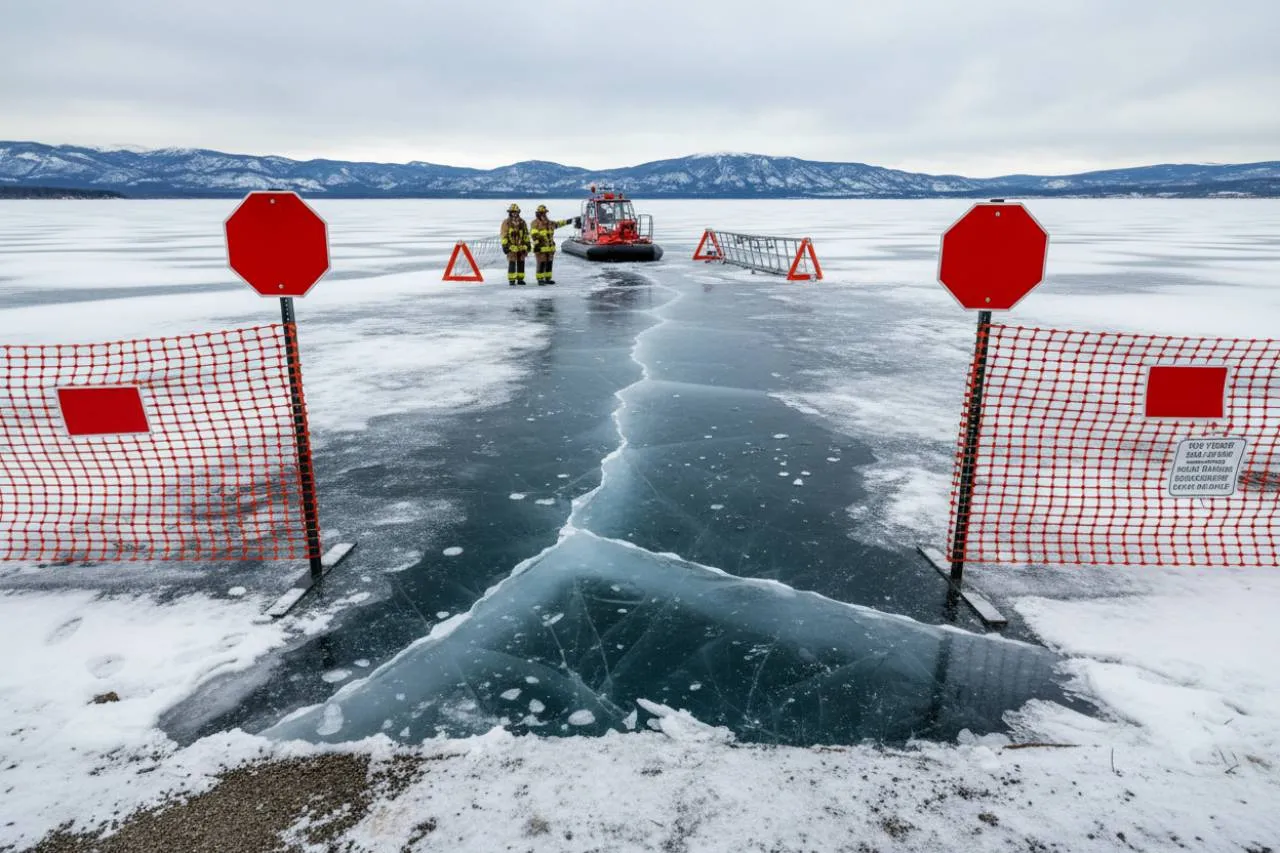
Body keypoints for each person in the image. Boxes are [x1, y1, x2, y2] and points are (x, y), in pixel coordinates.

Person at [529, 204, 576, 285]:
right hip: (541, 247)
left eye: (544, 213)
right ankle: (540, 279)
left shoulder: (549, 223)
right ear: (538, 214)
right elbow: (534, 235)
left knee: (549, 263)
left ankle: (547, 278)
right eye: (542, 213)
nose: (543, 214)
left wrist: (569, 221)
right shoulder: (535, 223)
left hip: (550, 248)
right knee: (541, 263)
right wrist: (537, 245)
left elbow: (558, 224)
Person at [499, 203, 530, 285]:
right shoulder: (506, 222)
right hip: (511, 246)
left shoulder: (522, 222)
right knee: (512, 262)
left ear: (518, 212)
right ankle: (512, 280)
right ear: (510, 212)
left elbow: (526, 234)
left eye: (516, 212)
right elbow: (504, 235)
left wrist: (527, 244)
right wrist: (505, 246)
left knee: (521, 262)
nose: (514, 213)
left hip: (521, 246)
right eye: (513, 212)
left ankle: (520, 279)